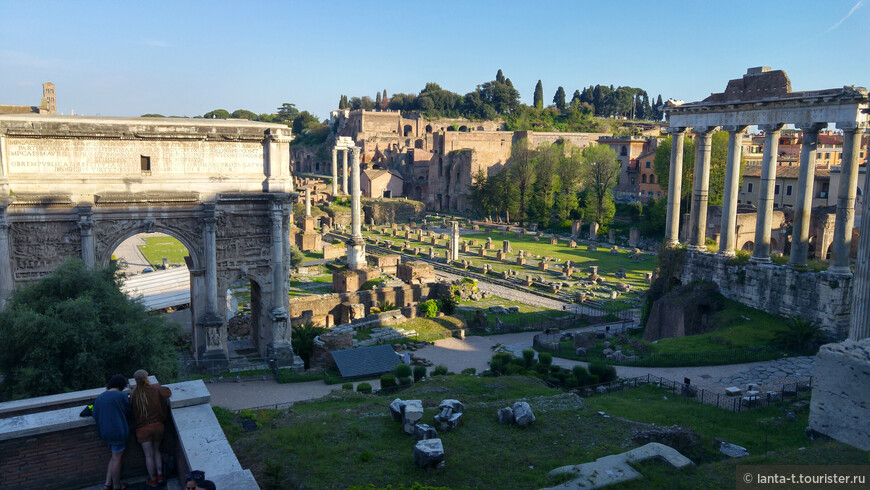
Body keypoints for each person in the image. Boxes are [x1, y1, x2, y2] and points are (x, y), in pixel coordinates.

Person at [130, 369, 172, 487]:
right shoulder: (155, 389)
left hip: (143, 430)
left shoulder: (134, 394)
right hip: (158, 426)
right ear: (146, 378)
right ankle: (160, 475)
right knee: (156, 450)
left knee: (148, 455)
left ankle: (152, 479)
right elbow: (168, 392)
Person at [93, 374, 131, 490]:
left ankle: (107, 484)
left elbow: (95, 414)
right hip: (118, 431)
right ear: (121, 385)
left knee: (114, 457)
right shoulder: (121, 395)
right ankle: (116, 486)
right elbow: (129, 411)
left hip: (104, 433)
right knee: (117, 458)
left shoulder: (99, 397)